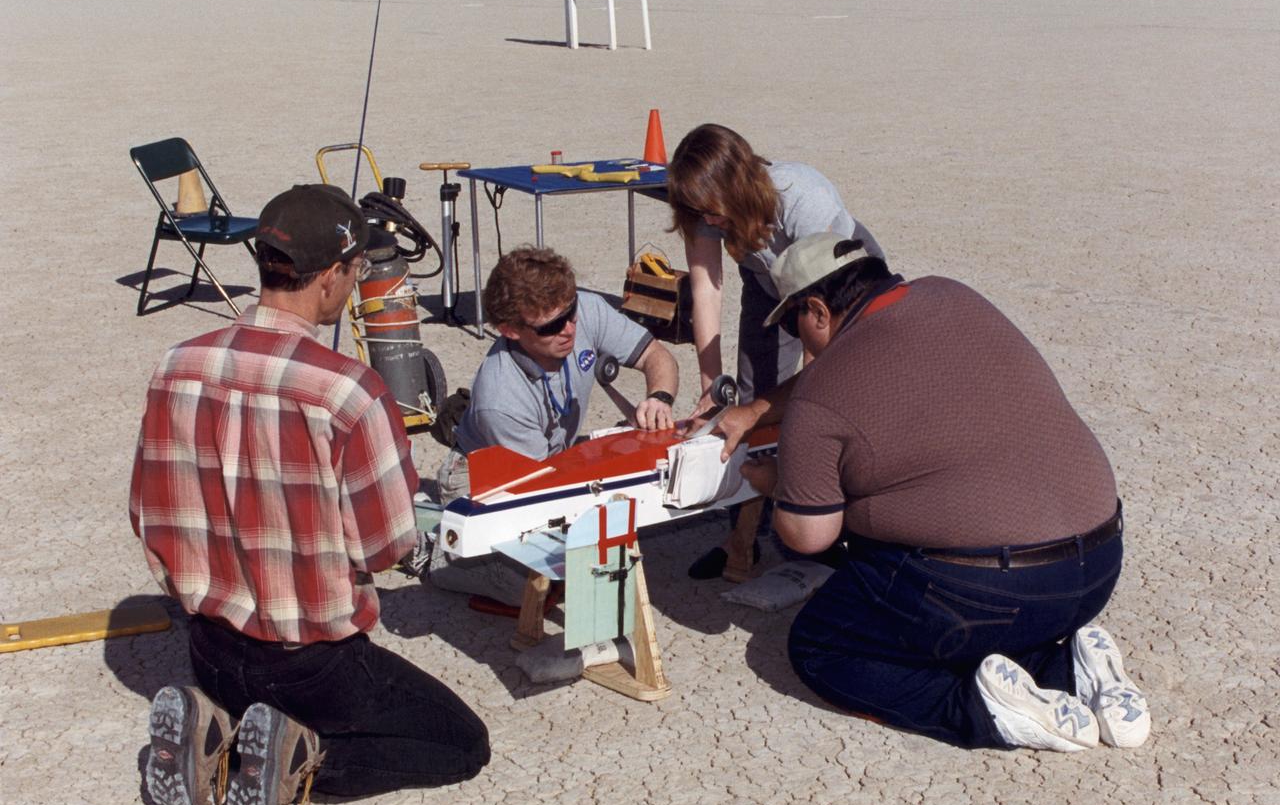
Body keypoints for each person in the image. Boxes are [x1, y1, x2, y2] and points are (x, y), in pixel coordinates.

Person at [130, 184, 490, 805]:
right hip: (310, 663)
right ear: (330, 278)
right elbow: (387, 545)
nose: (354, 287)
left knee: (262, 681)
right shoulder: (348, 392)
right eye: (355, 275)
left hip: (207, 644)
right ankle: (277, 762)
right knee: (460, 743)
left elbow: (147, 516)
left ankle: (218, 727)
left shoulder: (176, 366)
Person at [726, 231, 1151, 751]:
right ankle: (1068, 668)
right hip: (1100, 564)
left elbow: (807, 535)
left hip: (994, 592)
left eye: (794, 323)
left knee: (823, 645)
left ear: (815, 309)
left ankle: (983, 710)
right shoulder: (953, 294)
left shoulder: (822, 390)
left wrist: (779, 482)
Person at [666, 123, 883, 578]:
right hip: (769, 284)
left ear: (738, 187)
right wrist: (713, 386)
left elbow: (821, 318)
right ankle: (742, 542)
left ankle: (826, 523)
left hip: (839, 285)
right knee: (748, 405)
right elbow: (706, 287)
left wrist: (801, 402)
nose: (709, 222)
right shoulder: (702, 209)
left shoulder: (801, 196)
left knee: (821, 405)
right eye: (698, 214)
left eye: (713, 212)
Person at [430, 245, 679, 606]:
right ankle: (434, 552)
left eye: (571, 312)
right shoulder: (500, 398)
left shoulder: (583, 309)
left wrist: (660, 398)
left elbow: (658, 356)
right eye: (550, 326)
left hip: (550, 458)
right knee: (534, 586)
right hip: (486, 474)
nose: (569, 330)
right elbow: (542, 497)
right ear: (510, 330)